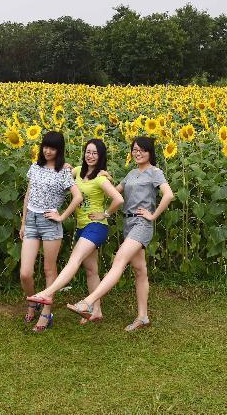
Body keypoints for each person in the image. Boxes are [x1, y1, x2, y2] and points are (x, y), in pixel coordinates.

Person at [67, 136, 174, 331]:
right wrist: (102, 176)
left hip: (142, 223)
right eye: (135, 149)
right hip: (128, 222)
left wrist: (153, 215)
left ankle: (88, 302)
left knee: (119, 260)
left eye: (142, 150)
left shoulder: (155, 172)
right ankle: (143, 317)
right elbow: (113, 191)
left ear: (150, 153)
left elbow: (168, 194)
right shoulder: (131, 173)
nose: (138, 153)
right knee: (140, 270)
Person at [25, 138, 124, 323]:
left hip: (96, 227)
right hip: (82, 227)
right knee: (91, 271)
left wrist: (105, 214)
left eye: (95, 153)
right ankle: (96, 311)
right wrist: (66, 166)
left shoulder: (101, 178)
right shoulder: (78, 171)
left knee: (75, 259)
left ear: (101, 156)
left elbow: (118, 199)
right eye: (88, 152)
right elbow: (65, 172)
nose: (91, 156)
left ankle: (47, 292)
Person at [20, 130, 83, 332]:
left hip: (50, 223)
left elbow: (78, 197)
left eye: (53, 147)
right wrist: (23, 223)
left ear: (59, 150)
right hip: (31, 220)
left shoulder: (63, 171)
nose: (48, 151)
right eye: (46, 146)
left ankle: (46, 314)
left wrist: (62, 216)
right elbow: (28, 196)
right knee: (25, 273)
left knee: (49, 270)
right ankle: (32, 303)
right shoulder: (34, 167)